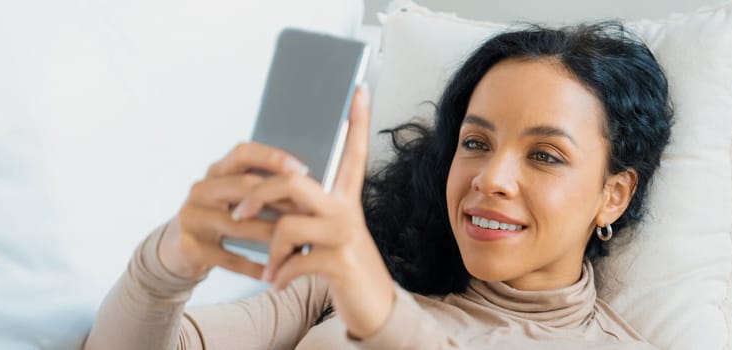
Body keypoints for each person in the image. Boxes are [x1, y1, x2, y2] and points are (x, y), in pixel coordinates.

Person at [84, 21, 673, 349]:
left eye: (544, 155)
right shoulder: (351, 276)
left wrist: (376, 307)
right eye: (475, 143)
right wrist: (168, 264)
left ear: (613, 194)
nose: (491, 179)